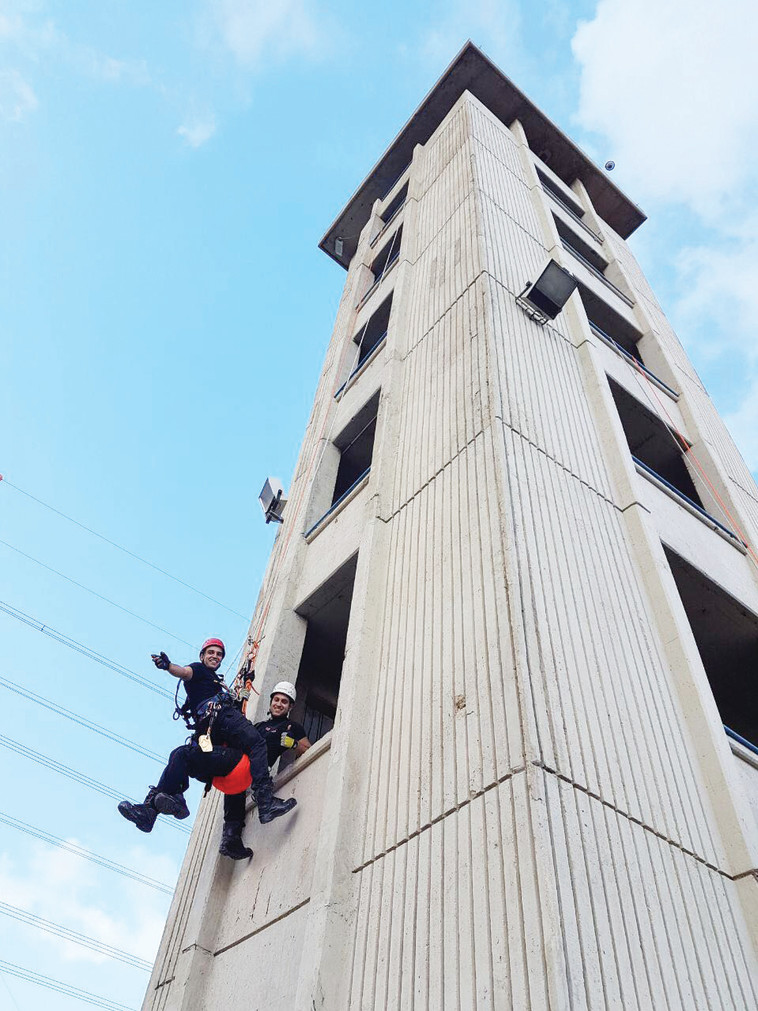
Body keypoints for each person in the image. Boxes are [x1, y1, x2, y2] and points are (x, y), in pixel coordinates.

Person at [151, 638, 296, 825]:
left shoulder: (215, 682)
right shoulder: (198, 669)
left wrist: (238, 696)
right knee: (257, 742)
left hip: (212, 735)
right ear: (202, 656)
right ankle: (265, 802)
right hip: (221, 721)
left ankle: (151, 809)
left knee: (182, 754)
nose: (215, 656)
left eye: (219, 654)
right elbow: (184, 672)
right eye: (211, 652)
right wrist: (169, 666)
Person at [118, 739, 258, 860]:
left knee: (181, 754)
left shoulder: (224, 715)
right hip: (228, 772)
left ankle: (157, 807)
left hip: (236, 761)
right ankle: (230, 836)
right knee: (181, 757)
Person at [223, 681, 311, 827]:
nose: (278, 704)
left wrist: (293, 744)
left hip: (258, 777)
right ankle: (230, 837)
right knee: (234, 797)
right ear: (271, 702)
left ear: (290, 706)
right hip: (242, 770)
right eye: (276, 700)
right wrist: (238, 705)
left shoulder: (292, 727)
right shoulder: (259, 726)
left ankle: (264, 806)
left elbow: (308, 749)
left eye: (284, 702)